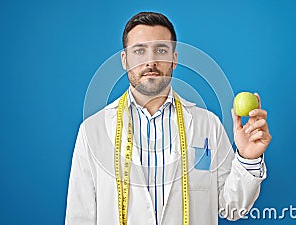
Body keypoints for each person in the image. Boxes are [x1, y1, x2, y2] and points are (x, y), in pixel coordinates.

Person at [65, 11, 271, 225]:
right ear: (125, 60)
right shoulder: (93, 130)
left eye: (160, 50)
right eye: (139, 51)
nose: (150, 61)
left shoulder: (208, 125)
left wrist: (248, 159)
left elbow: (232, 207)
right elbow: (79, 217)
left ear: (174, 59)